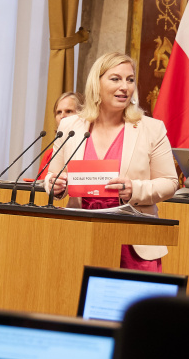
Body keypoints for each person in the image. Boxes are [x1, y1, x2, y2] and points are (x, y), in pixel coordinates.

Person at [46, 52, 178, 271]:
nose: (124, 86)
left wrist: (134, 189)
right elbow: (53, 176)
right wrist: (55, 186)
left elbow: (170, 182)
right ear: (96, 83)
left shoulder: (152, 129)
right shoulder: (70, 126)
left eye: (130, 79)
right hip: (80, 237)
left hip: (134, 243)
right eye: (115, 79)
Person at [37, 91, 83, 179]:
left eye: (69, 111)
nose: (62, 116)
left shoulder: (87, 150)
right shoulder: (49, 154)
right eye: (58, 112)